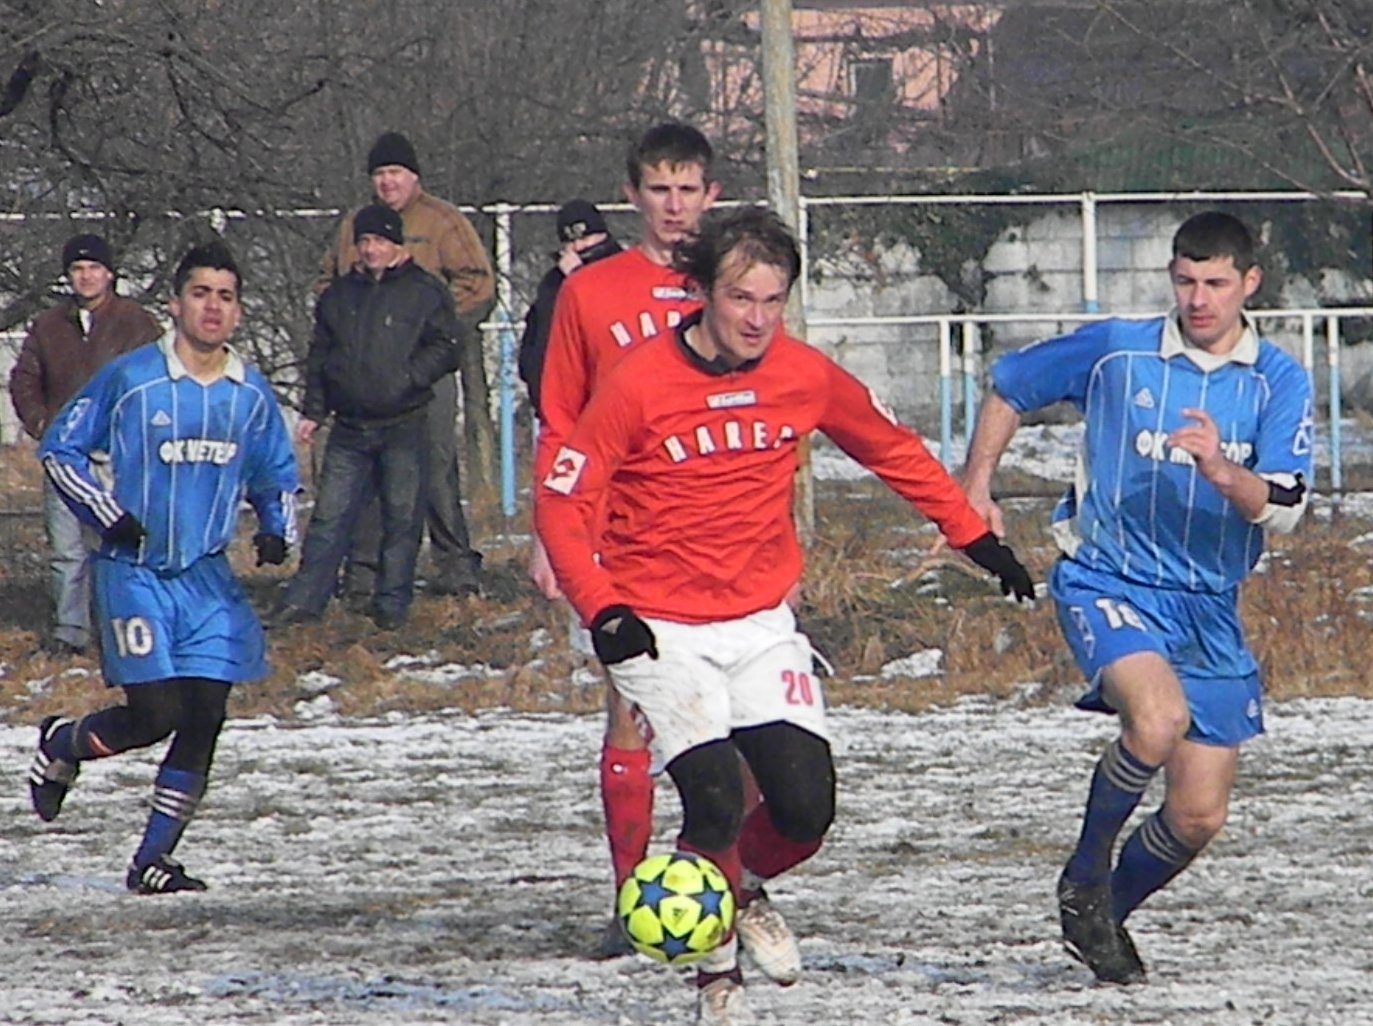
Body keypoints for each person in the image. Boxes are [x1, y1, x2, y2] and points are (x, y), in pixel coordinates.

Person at [537, 207, 1034, 1023]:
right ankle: (714, 979)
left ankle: (739, 889)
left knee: (805, 811)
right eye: (741, 299)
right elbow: (562, 505)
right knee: (713, 801)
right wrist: (603, 608)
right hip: (657, 626)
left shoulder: (802, 374)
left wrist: (974, 538)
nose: (757, 319)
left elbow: (892, 449)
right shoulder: (635, 384)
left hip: (760, 622)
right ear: (701, 292)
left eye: (773, 301)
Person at [959, 211, 1313, 984]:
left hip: (1208, 605)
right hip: (1107, 579)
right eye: (1185, 280)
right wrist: (976, 487)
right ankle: (1084, 874)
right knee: (1155, 721)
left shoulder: (1277, 379)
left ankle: (1098, 916)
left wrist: (1224, 473)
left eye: (1216, 283)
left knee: (1196, 815)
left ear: (1248, 284)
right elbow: (1009, 387)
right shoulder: (1118, 349)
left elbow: (1284, 505)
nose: (1198, 298)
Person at [29, 239, 299, 894]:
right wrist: (104, 512)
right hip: (133, 570)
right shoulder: (132, 378)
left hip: (206, 578)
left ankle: (153, 859)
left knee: (206, 713)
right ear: (175, 303)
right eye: (201, 293)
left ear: (238, 312)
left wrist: (275, 530)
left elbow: (276, 474)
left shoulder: (249, 393)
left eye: (226, 296)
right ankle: (62, 743)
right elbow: (62, 450)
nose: (213, 307)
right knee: (155, 715)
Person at [528, 122, 722, 959]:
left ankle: (711, 874)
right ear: (634, 196)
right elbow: (559, 418)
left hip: (721, 529)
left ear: (710, 194)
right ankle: (629, 896)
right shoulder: (593, 292)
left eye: (689, 190)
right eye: (659, 190)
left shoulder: (734, 285)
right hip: (622, 531)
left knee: (732, 718)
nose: (675, 206)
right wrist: (550, 529)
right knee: (632, 707)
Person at [318, 130, 492, 600]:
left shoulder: (442, 222)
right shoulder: (354, 224)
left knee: (434, 466)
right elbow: (327, 284)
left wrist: (427, 329)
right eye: (378, 174)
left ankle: (455, 565)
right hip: (364, 378)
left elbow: (477, 283)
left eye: (394, 173)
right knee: (367, 475)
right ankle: (364, 573)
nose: (386, 183)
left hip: (425, 374)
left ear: (414, 176)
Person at [273, 204, 465, 630]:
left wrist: (410, 377)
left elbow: (448, 346)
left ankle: (392, 604)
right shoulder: (339, 296)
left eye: (379, 241)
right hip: (349, 425)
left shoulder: (425, 291)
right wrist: (314, 410)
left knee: (401, 517)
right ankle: (304, 602)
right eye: (364, 242)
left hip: (403, 420)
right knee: (329, 517)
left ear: (396, 244)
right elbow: (321, 355)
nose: (371, 249)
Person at [8, 233, 162, 655]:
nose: (86, 276)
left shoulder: (137, 323)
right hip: (65, 457)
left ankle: (122, 631)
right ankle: (70, 633)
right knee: (67, 551)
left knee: (117, 544)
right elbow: (23, 380)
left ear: (109, 273)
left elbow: (157, 380)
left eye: (94, 268)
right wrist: (43, 424)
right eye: (78, 269)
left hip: (119, 455)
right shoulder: (48, 326)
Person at [517, 198, 622, 419]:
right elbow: (537, 334)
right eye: (570, 241)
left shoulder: (622, 272)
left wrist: (577, 278)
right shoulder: (553, 282)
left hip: (606, 406)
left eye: (585, 237)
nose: (578, 247)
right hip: (555, 406)